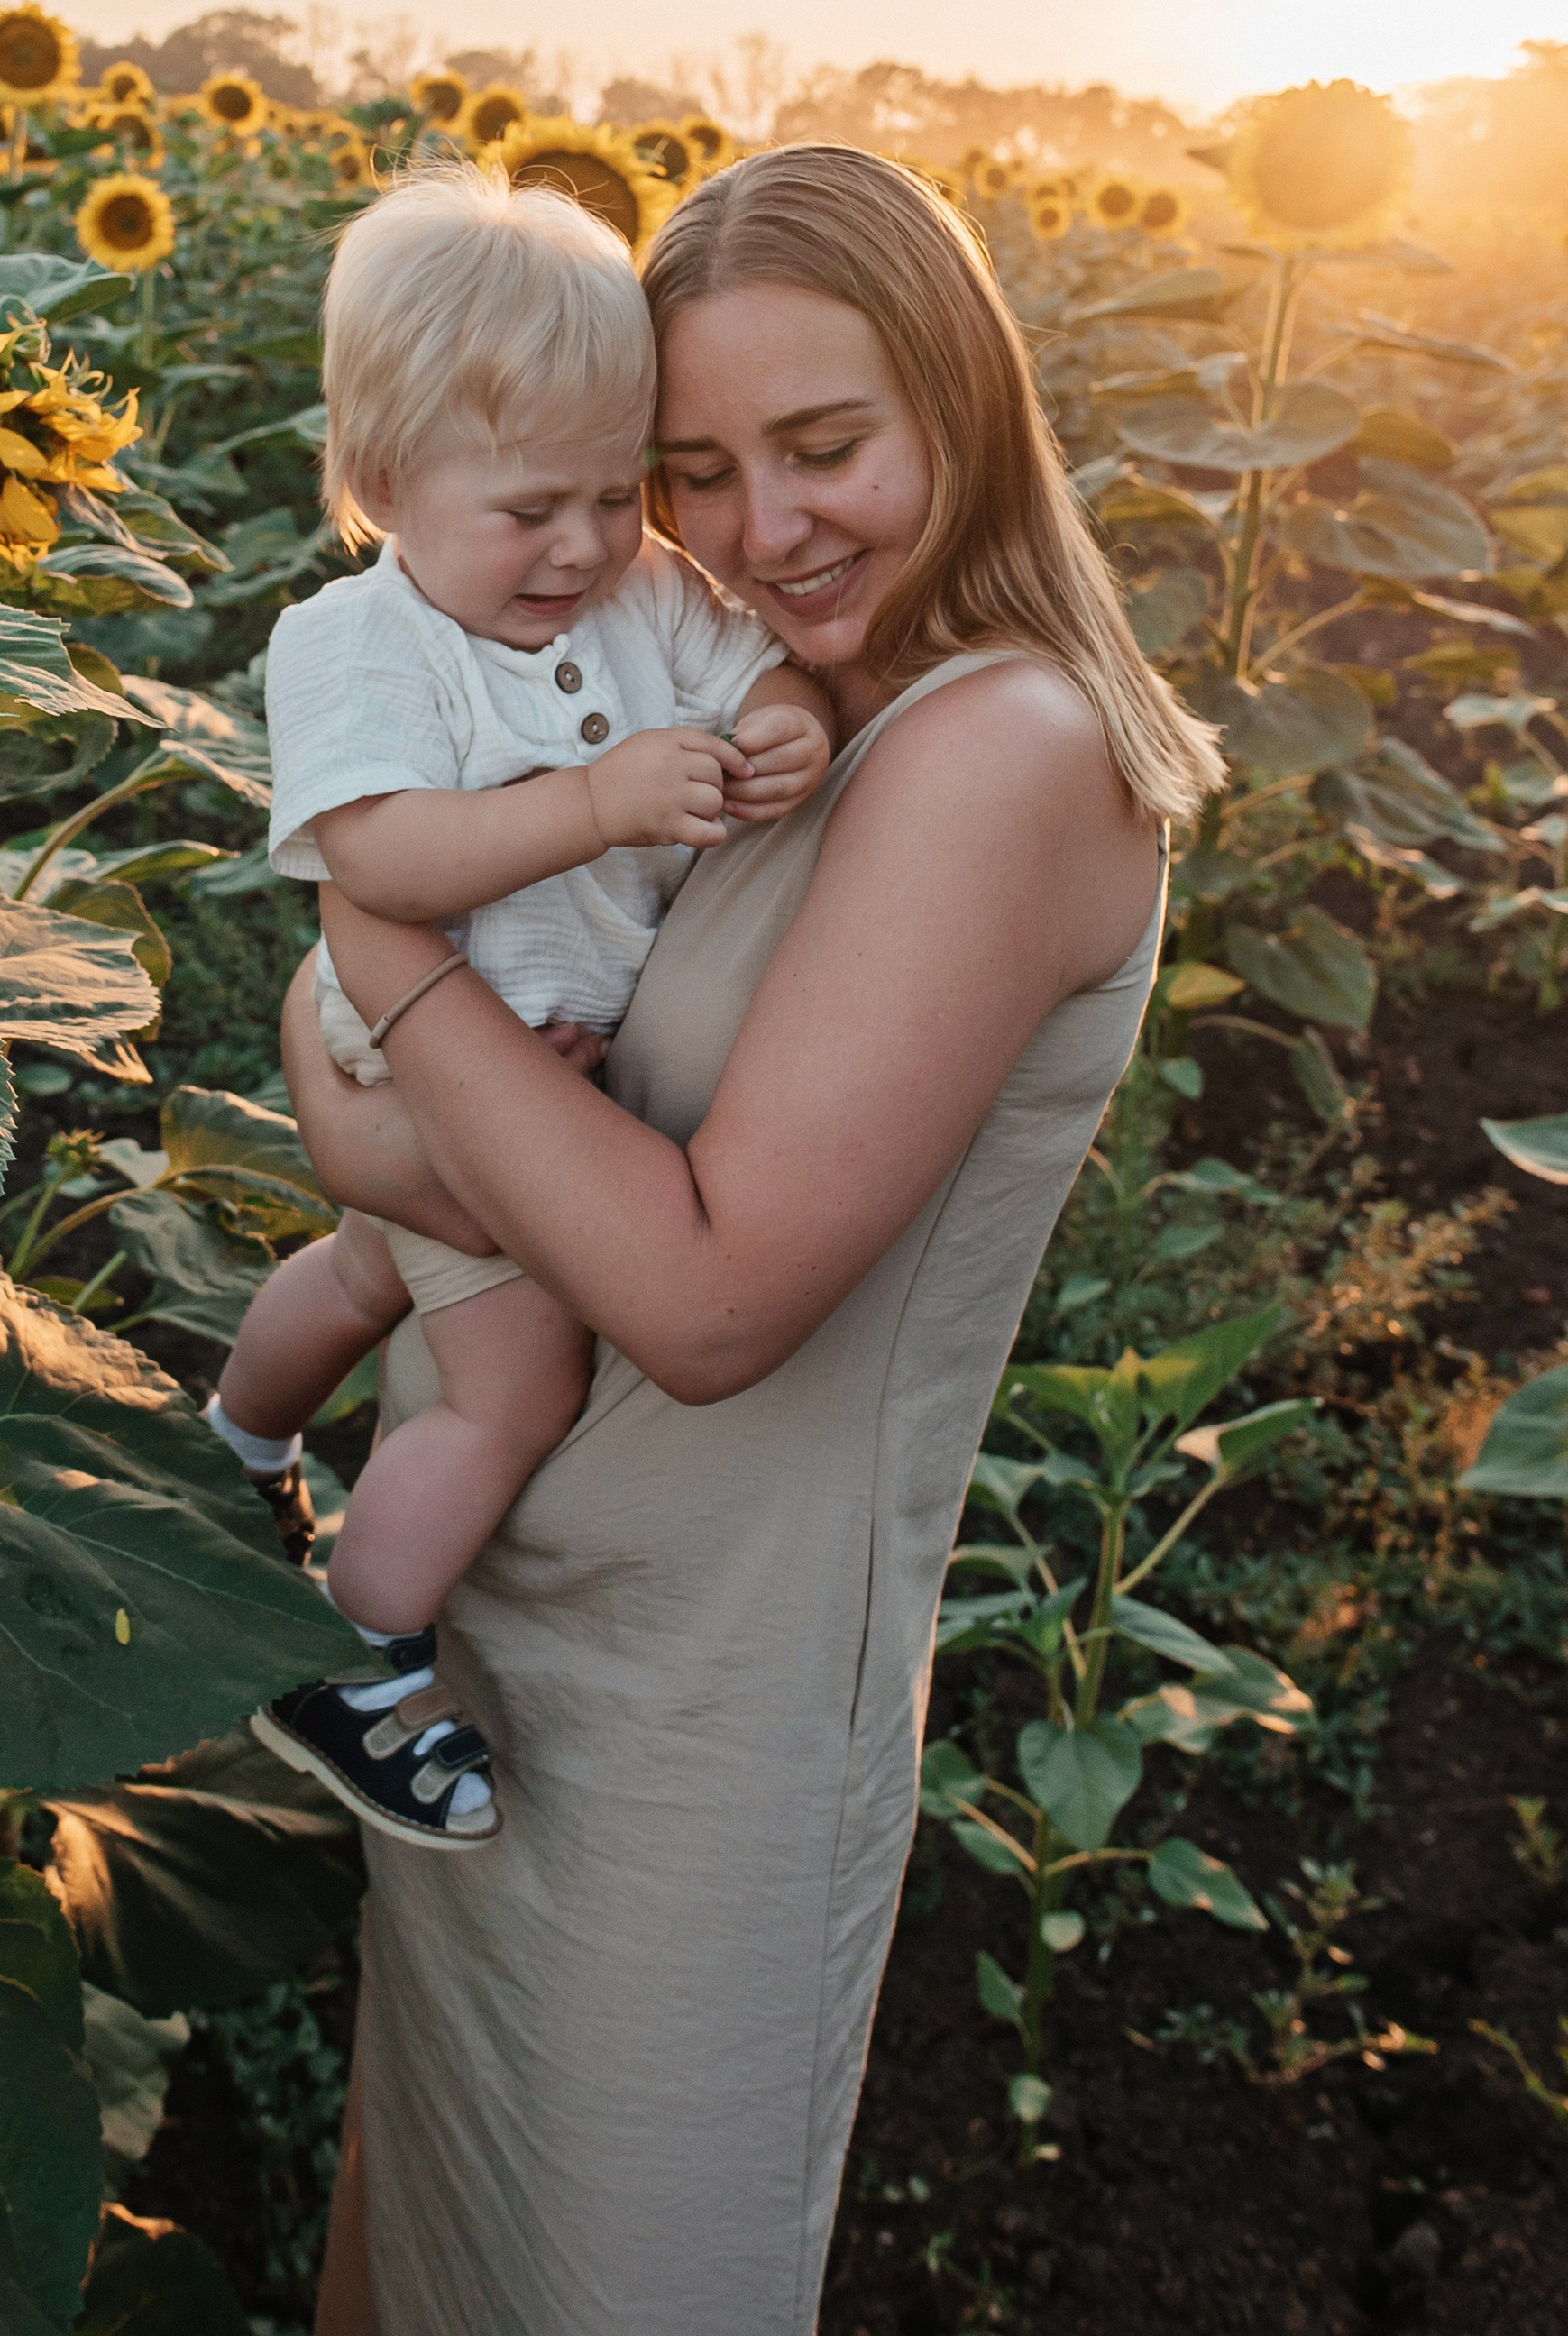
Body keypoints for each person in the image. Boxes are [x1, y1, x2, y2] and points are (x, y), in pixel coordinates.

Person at [280, 145, 1224, 2336]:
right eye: (688, 469)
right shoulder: (762, 713)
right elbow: (387, 1130)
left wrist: (378, 943)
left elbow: (698, 1296)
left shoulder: (995, 748)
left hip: (700, 1719)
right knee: (417, 2251)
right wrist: (407, 1033)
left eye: (823, 446)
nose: (759, 525)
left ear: (961, 404)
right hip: (508, 1643)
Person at [202, 164, 833, 1849]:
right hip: (431, 1066)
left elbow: (744, 673)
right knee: (511, 1384)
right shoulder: (355, 643)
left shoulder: (637, 599)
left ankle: (238, 1434)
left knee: (364, 1264)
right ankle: (346, 1649)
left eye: (613, 496)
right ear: (392, 481)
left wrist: (787, 725)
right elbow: (378, 860)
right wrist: (600, 805)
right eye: (529, 509)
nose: (582, 546)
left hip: (530, 1067)